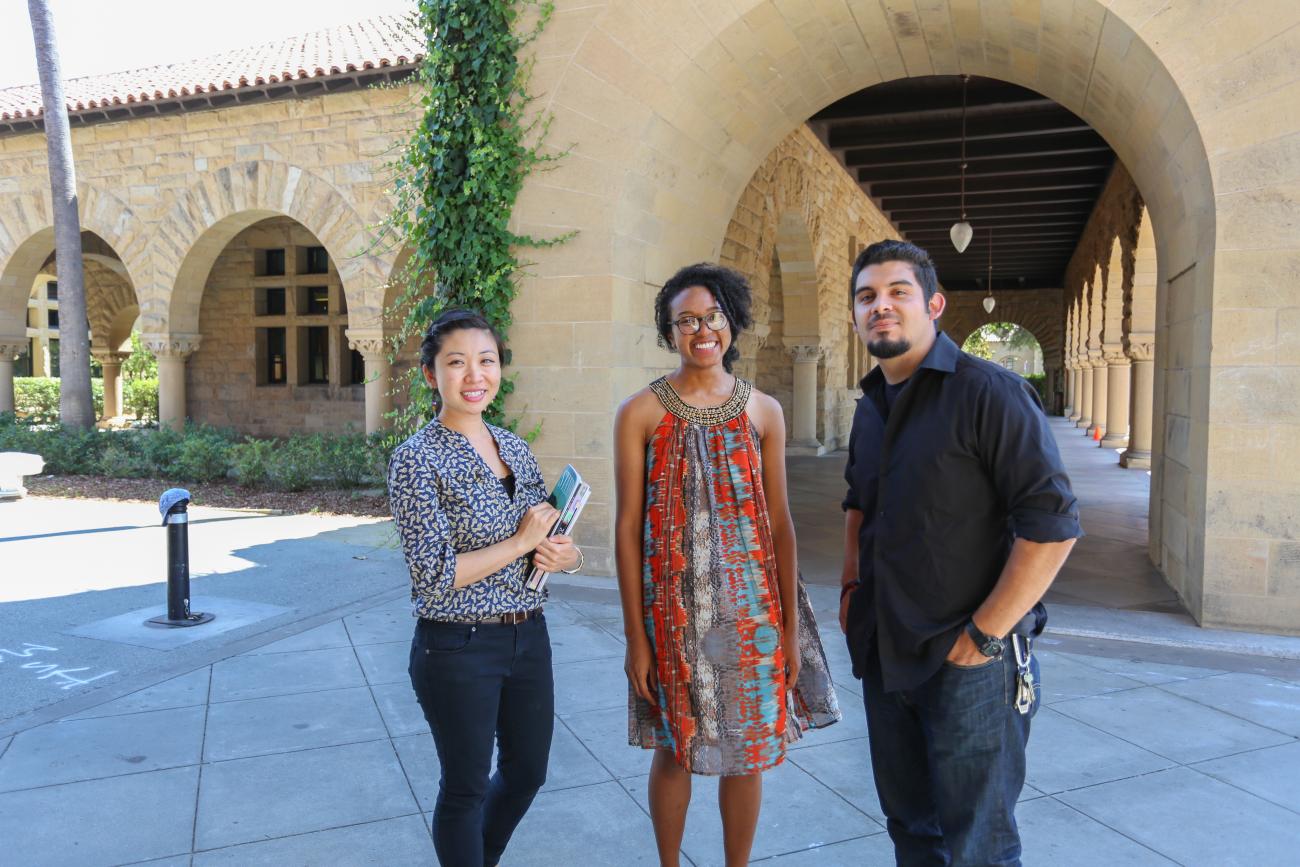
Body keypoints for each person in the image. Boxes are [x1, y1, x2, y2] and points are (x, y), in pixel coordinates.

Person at [839, 240, 1082, 866]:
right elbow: (857, 505)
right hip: (886, 651)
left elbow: (1052, 524)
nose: (881, 307)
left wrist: (985, 635)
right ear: (855, 314)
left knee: (980, 845)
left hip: (972, 663)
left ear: (934, 305)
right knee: (912, 831)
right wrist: (849, 591)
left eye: (898, 293)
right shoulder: (870, 407)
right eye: (867, 296)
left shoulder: (990, 393)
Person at [614, 263, 840, 867]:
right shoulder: (641, 413)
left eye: (711, 316)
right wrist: (636, 637)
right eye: (685, 320)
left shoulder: (764, 411)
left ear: (732, 324)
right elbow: (627, 529)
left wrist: (791, 630)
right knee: (674, 747)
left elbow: (782, 525)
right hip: (672, 614)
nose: (701, 330)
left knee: (749, 751)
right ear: (669, 333)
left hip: (754, 615)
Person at [388, 308, 583, 867]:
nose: (475, 375)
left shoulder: (513, 446)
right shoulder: (415, 460)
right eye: (457, 362)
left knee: (527, 772)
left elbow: (548, 530)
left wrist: (564, 555)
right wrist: (522, 543)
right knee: (466, 786)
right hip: (457, 645)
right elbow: (433, 574)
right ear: (432, 375)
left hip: (528, 635)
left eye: (486, 360)